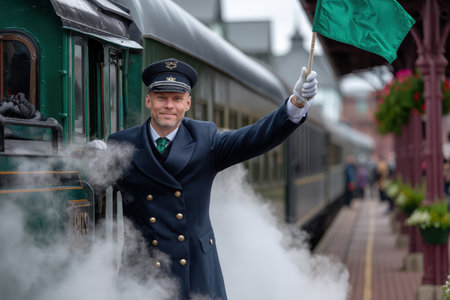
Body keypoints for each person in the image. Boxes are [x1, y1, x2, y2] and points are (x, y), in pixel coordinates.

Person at [107, 58, 318, 299]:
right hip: (142, 273)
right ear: (149, 101)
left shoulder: (204, 139)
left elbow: (254, 137)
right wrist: (90, 158)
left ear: (187, 103)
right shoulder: (121, 144)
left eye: (176, 99)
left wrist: (296, 103)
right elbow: (95, 185)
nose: (169, 105)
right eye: (161, 98)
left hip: (195, 271)